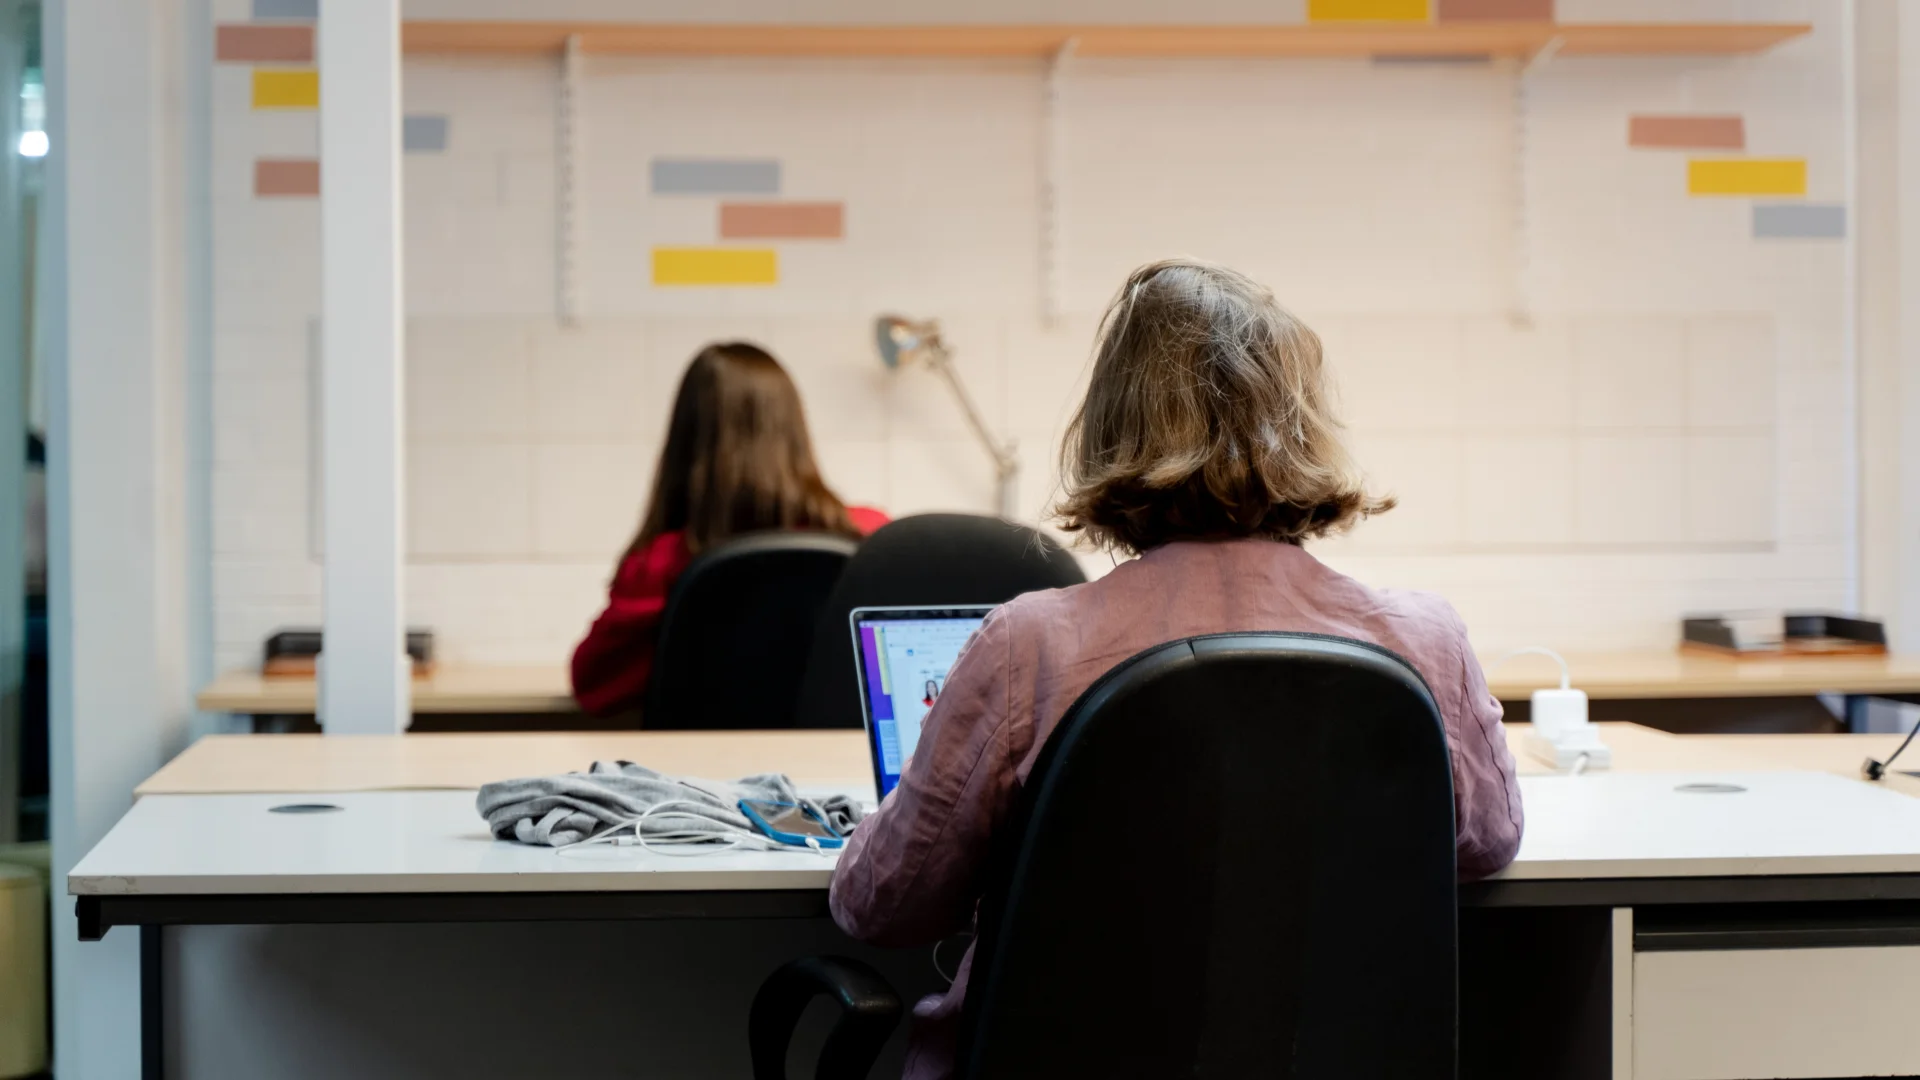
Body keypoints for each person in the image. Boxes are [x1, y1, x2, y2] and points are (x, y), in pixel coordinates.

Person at [828, 259, 1523, 1079]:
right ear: (1301, 428)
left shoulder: (1030, 647)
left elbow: (884, 904)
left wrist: (885, 818)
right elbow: (1486, 843)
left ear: (1110, 429)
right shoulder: (1420, 641)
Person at [570, 342, 888, 717]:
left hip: (697, 773)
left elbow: (592, 687)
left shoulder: (660, 564)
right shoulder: (868, 540)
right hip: (836, 771)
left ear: (686, 440)